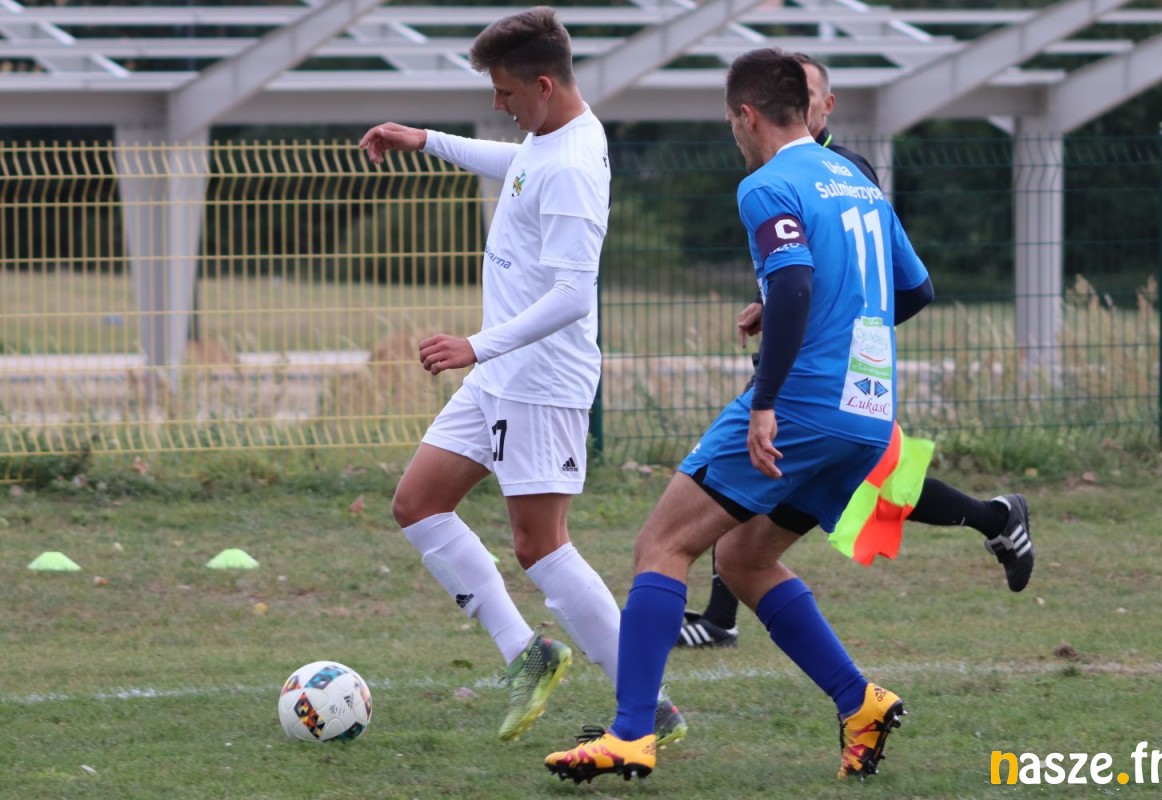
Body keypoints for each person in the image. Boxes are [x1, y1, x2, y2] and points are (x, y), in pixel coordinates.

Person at [545, 47, 932, 784]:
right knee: (744, 560)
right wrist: (823, 321)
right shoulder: (854, 177)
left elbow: (793, 286)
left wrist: (766, 401)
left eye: (732, 123)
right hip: (868, 413)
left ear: (747, 116)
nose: (734, 134)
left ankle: (630, 733)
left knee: (661, 545)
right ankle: (860, 703)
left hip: (804, 405)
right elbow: (913, 291)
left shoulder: (766, 183)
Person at [358, 6, 685, 746]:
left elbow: (573, 295)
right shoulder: (552, 137)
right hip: (502, 375)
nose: (498, 105)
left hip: (539, 381)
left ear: (543, 85)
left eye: (505, 92)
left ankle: (651, 705)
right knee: (418, 504)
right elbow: (517, 166)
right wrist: (426, 140)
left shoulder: (571, 168)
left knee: (542, 546)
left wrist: (476, 345)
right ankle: (527, 654)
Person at [677, 53, 1034, 651]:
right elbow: (814, 275)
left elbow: (878, 282)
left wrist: (830, 331)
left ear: (824, 105)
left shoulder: (842, 171)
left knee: (858, 480)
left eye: (807, 91)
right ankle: (723, 615)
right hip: (824, 372)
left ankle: (995, 518)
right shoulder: (802, 172)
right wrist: (773, 304)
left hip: (824, 375)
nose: (795, 102)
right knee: (794, 481)